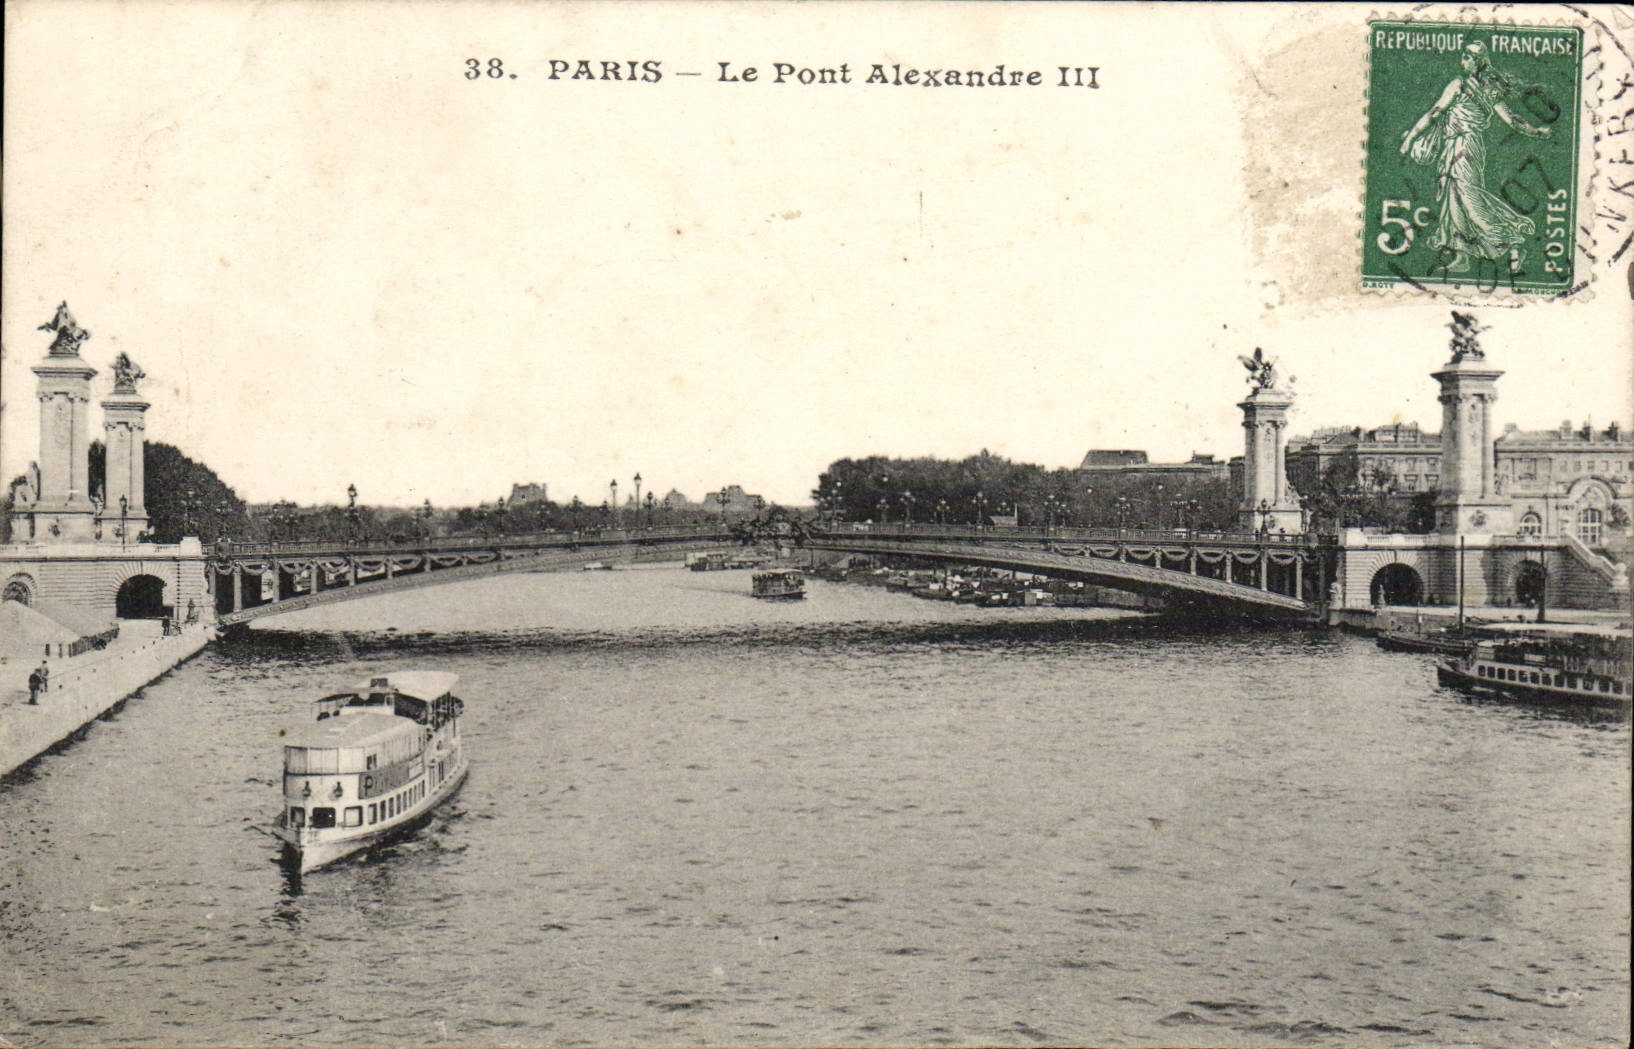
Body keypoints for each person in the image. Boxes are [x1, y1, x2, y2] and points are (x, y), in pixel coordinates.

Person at [1399, 40, 1551, 275]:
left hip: (1467, 146)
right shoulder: (1476, 88)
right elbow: (1437, 112)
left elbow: (1511, 120)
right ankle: (1462, 256)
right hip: (1455, 145)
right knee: (1453, 199)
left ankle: (1513, 242)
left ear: (1479, 62)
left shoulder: (1468, 86)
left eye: (1468, 57)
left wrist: (1536, 132)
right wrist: (1536, 131)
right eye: (1463, 56)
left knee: (1470, 198)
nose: (1463, 61)